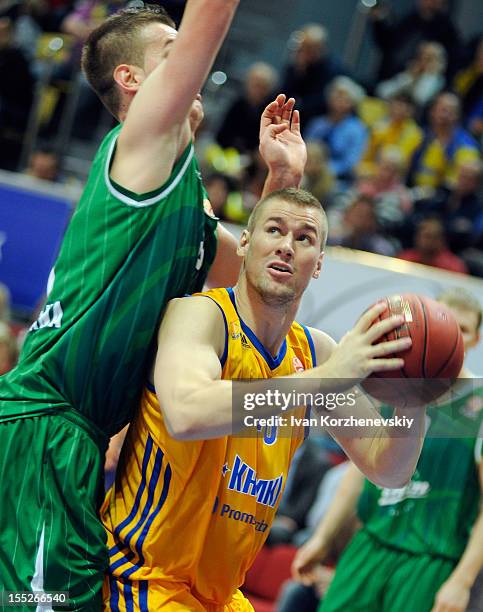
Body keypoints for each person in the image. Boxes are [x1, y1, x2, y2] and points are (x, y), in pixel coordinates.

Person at [0, 2, 308, 607]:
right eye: (171, 52)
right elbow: (208, 23)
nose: (190, 64)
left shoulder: (188, 199)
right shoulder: (139, 141)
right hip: (44, 427)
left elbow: (250, 283)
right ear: (131, 80)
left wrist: (281, 179)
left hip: (79, 445)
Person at [101, 187, 428, 610]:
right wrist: (326, 378)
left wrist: (415, 397)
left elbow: (389, 467)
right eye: (274, 230)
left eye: (305, 238)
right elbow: (188, 413)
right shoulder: (201, 316)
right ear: (244, 242)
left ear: (319, 265)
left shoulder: (314, 353)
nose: (286, 247)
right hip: (142, 580)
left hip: (220, 597)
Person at [291, 287, 483, 612]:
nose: (455, 336)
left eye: (463, 330)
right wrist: (323, 537)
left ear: (475, 339)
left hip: (428, 560)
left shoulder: (477, 406)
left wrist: (461, 581)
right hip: (370, 543)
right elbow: (359, 472)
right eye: (447, 323)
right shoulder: (397, 389)